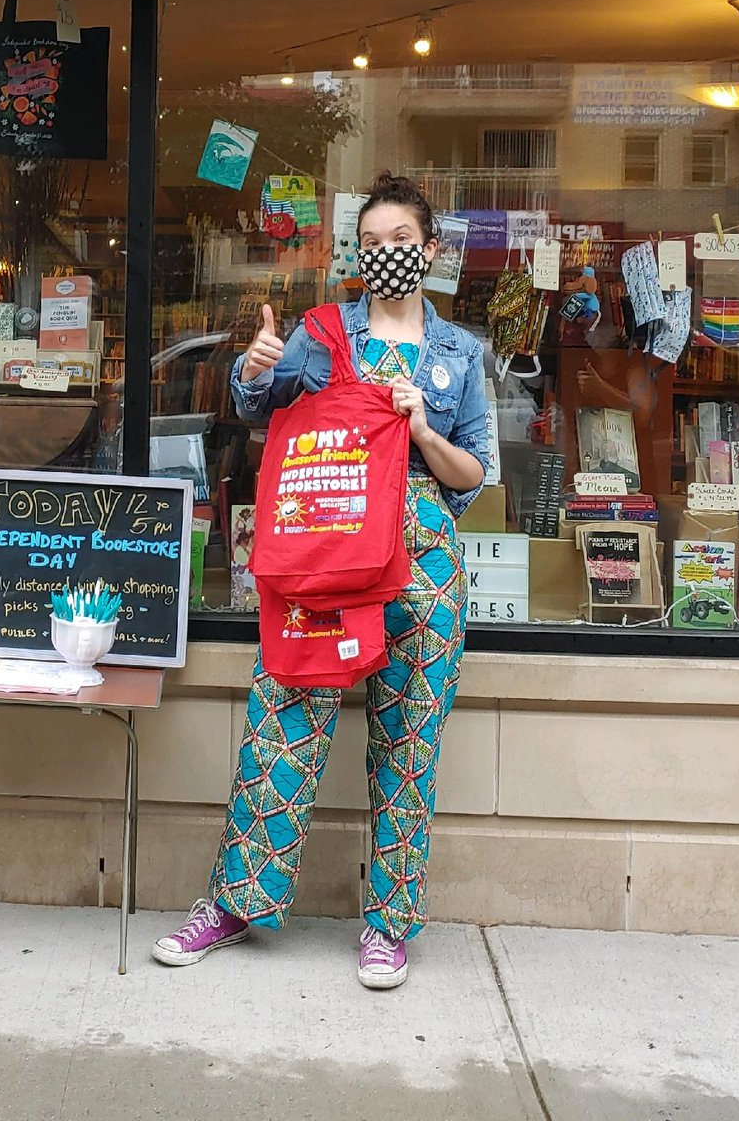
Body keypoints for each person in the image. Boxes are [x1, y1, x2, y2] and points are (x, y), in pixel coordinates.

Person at [152, 173, 493, 990]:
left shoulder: (459, 353)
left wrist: (418, 428)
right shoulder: (322, 330)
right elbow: (258, 403)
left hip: (425, 558)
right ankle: (236, 902)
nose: (386, 257)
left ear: (430, 248)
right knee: (283, 719)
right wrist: (256, 364)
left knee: (409, 746)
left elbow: (474, 473)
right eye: (371, 245)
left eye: (400, 242)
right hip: (329, 542)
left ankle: (388, 925)